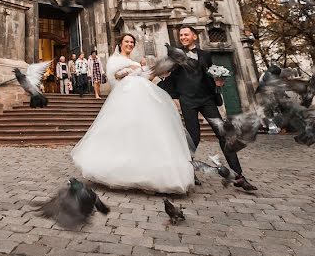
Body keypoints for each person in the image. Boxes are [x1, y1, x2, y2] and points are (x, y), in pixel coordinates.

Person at [71, 33, 195, 194]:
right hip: (124, 100)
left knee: (145, 135)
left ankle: (149, 173)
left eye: (132, 42)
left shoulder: (136, 62)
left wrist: (158, 69)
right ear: (120, 44)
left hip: (143, 101)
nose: (129, 44)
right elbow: (116, 76)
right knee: (124, 135)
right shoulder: (114, 60)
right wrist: (133, 69)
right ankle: (122, 172)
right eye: (126, 41)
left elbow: (147, 78)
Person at [158, 27, 257, 191]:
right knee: (193, 137)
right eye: (181, 35)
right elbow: (168, 75)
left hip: (206, 100)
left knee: (224, 135)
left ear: (194, 36)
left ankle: (239, 176)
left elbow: (209, 75)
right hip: (187, 100)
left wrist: (217, 83)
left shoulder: (205, 55)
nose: (183, 37)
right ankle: (187, 171)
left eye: (186, 34)